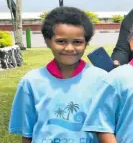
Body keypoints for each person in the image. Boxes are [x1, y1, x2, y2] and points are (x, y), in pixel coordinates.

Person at [9, 7, 105, 143]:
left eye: (77, 42)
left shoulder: (101, 80)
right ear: (48, 41)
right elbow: (27, 134)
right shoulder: (31, 82)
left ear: (86, 43)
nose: (69, 48)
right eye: (61, 41)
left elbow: (107, 129)